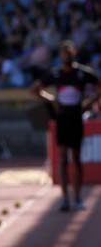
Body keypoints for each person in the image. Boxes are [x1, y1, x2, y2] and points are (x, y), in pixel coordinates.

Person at [32, 41, 100, 211]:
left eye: (68, 53)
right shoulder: (56, 74)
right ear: (60, 56)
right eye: (63, 54)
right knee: (63, 159)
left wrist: (89, 102)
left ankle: (77, 198)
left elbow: (99, 87)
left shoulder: (83, 74)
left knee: (76, 159)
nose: (66, 56)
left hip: (76, 118)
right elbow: (35, 90)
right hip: (62, 119)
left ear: (74, 53)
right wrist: (52, 100)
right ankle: (64, 199)